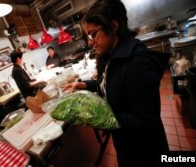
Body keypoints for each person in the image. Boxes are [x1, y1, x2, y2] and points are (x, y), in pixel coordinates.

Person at [62, 0, 169, 166]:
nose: (90, 42)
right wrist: (85, 85)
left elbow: (146, 120)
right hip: (125, 143)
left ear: (113, 25)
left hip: (144, 151)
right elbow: (110, 82)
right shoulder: (110, 55)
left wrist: (104, 118)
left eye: (93, 34)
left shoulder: (136, 63)